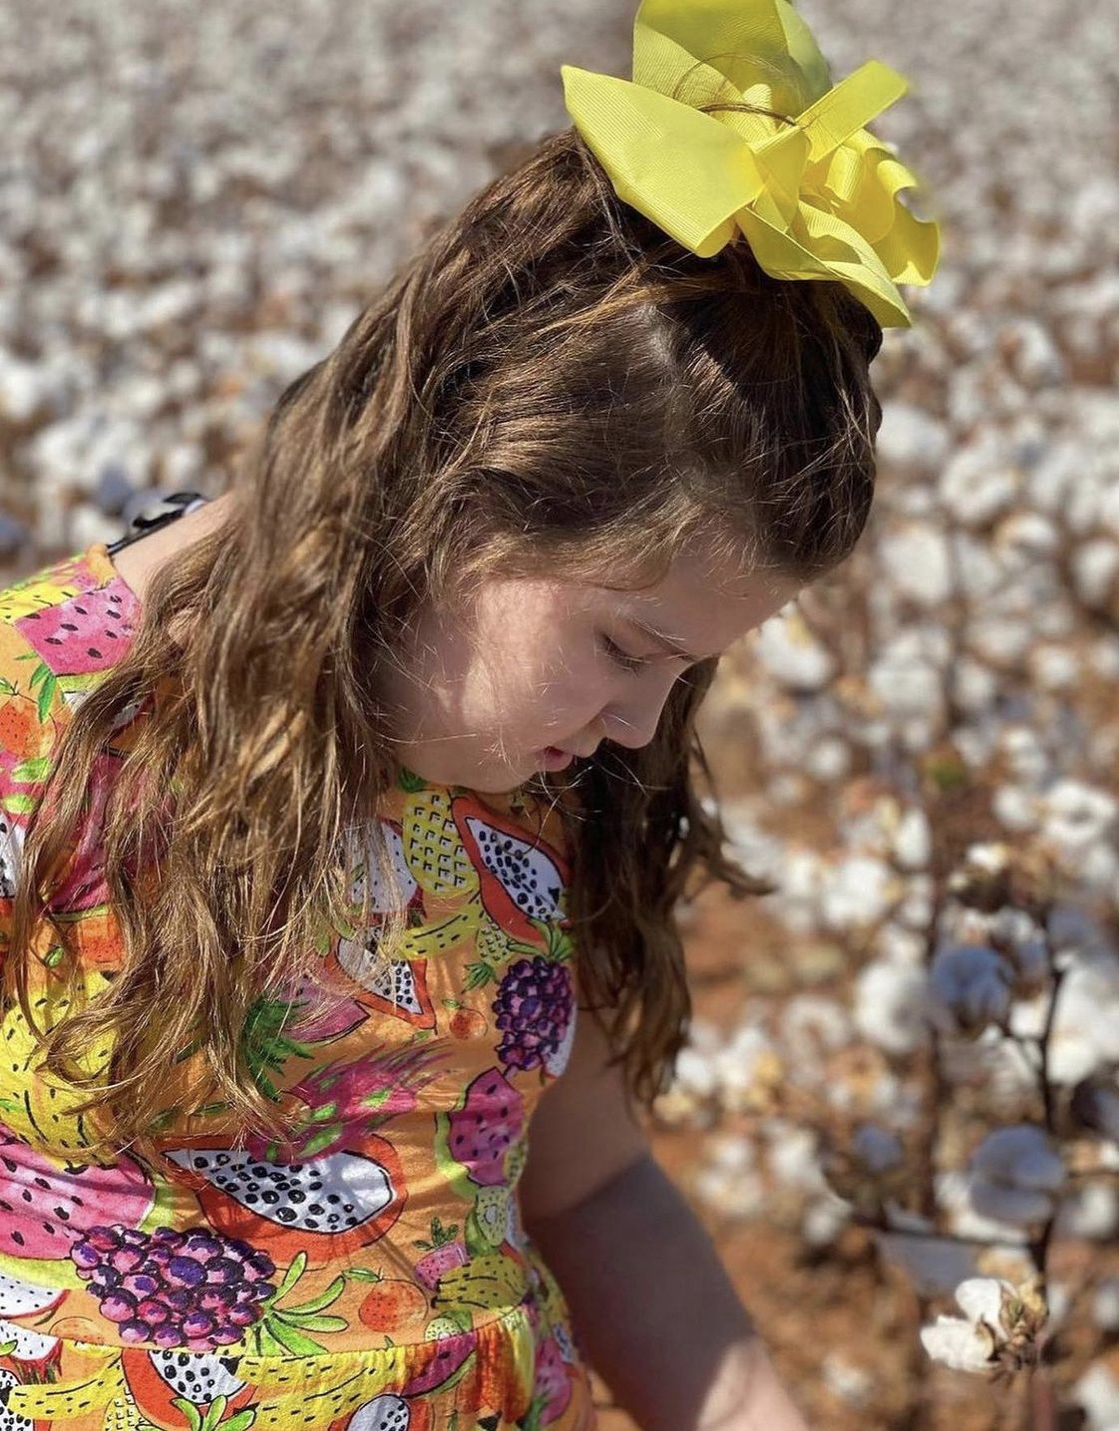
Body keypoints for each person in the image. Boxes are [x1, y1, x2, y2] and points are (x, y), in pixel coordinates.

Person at [0, 1, 940, 1427]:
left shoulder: (527, 786)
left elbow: (598, 1184)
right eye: (627, 645)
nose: (641, 723)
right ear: (457, 480)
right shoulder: (39, 729)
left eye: (687, 672)